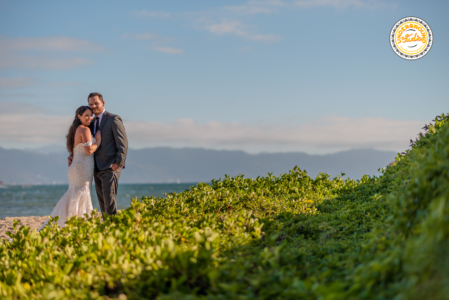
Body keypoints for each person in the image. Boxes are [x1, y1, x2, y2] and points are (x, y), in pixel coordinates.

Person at [40, 106, 102, 229]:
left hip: (77, 167)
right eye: (86, 115)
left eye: (91, 115)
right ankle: (80, 224)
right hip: (82, 168)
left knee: (74, 193)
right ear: (79, 116)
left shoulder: (77, 129)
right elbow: (89, 150)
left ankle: (70, 222)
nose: (90, 118)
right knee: (81, 193)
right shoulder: (85, 130)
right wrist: (98, 141)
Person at [69, 92, 128, 219]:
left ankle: (114, 230)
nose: (94, 106)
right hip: (95, 168)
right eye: (91, 104)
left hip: (110, 167)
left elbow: (123, 143)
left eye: (96, 103)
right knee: (102, 203)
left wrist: (118, 164)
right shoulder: (90, 121)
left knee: (110, 201)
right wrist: (73, 154)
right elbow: (83, 142)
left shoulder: (113, 119)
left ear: (103, 103)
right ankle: (107, 229)